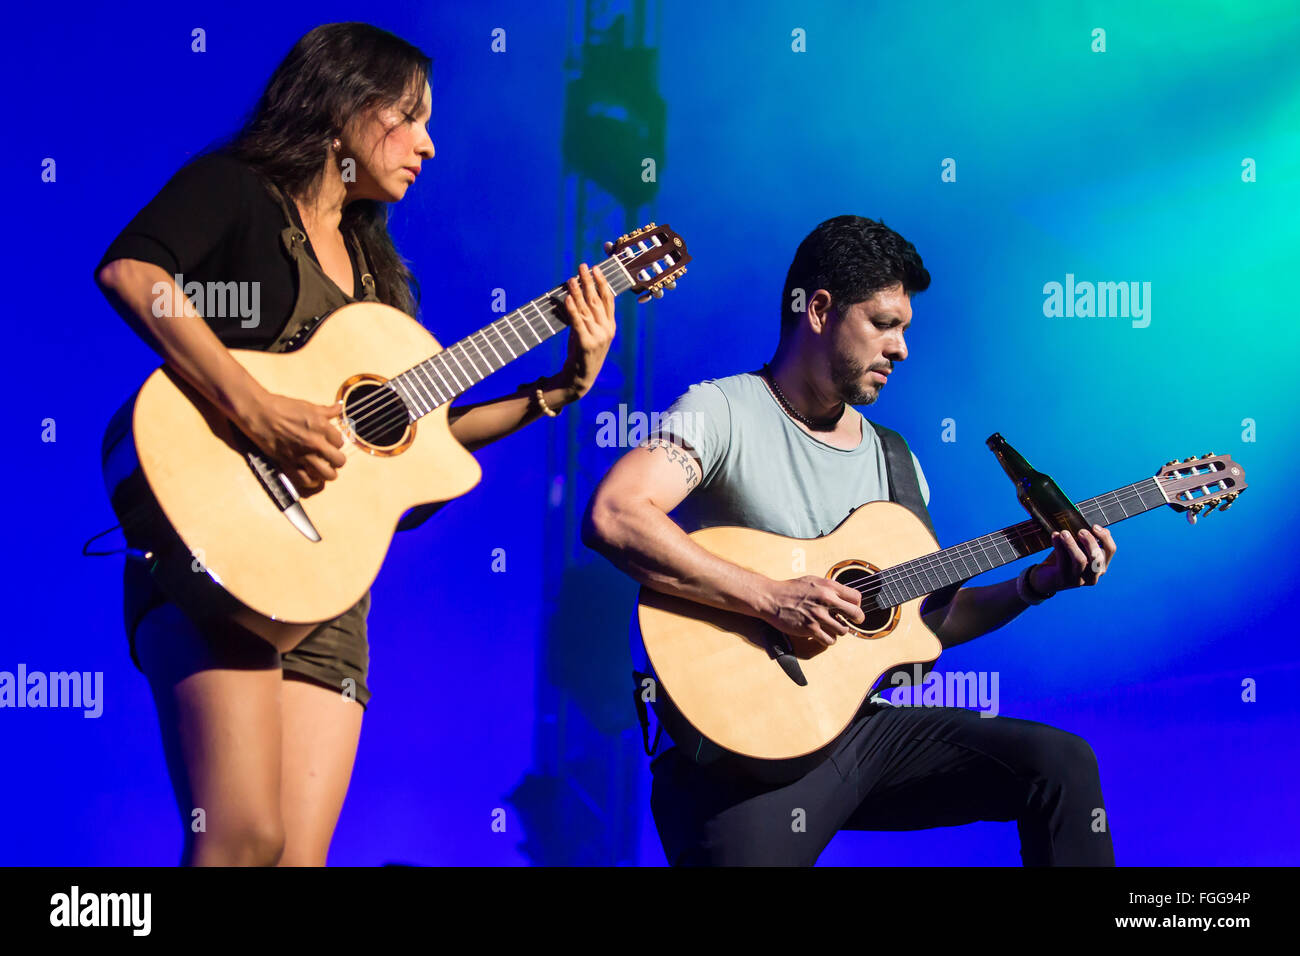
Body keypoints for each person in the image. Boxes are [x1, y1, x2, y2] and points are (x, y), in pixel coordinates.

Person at [94, 22, 616, 866]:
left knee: (296, 858)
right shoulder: (235, 191)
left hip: (329, 587)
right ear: (342, 108)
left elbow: (421, 444)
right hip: (214, 543)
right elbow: (135, 276)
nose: (429, 145)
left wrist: (558, 390)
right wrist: (258, 408)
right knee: (239, 839)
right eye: (409, 117)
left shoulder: (383, 284)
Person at [582, 215, 1118, 866]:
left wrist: (1039, 583)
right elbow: (615, 514)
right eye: (885, 324)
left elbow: (928, 623)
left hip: (858, 736)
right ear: (820, 310)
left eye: (906, 330)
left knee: (1059, 763)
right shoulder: (720, 411)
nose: (902, 349)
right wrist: (771, 599)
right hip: (734, 760)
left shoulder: (897, 462)